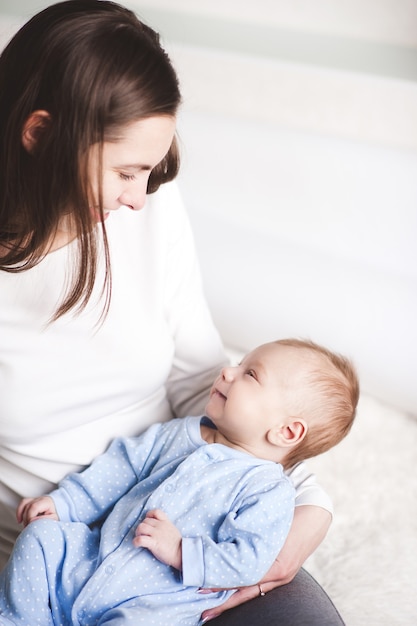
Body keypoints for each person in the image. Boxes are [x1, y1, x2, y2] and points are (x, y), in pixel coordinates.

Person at [0, 1, 345, 624]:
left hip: (189, 537)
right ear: (39, 134)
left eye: (151, 171)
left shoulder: (148, 205)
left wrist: (305, 510)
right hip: (51, 551)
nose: (141, 197)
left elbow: (200, 382)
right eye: (127, 171)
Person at [0, 339, 359, 625]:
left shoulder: (269, 491)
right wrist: (67, 503)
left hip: (155, 602)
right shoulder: (182, 434)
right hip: (91, 559)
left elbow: (248, 560)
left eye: (250, 374)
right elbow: (121, 468)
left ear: (287, 431)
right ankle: (21, 618)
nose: (227, 372)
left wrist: (179, 551)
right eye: (238, 363)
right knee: (41, 537)